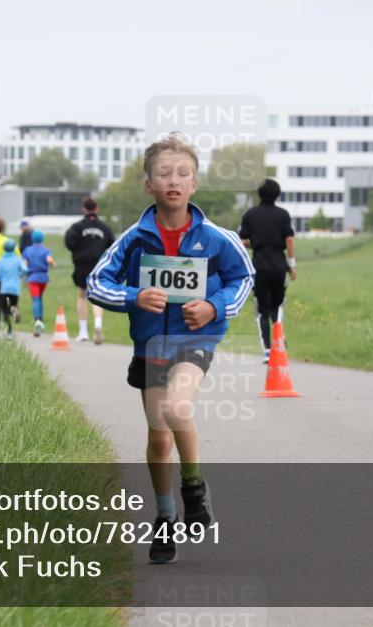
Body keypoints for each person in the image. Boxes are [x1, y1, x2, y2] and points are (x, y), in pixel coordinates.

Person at [87, 135, 254, 564]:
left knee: (177, 409)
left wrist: (214, 306)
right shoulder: (134, 239)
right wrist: (133, 297)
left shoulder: (217, 238)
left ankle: (194, 489)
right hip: (150, 346)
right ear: (149, 184)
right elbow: (96, 283)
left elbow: (244, 278)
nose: (173, 181)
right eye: (164, 174)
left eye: (182, 174)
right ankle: (164, 519)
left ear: (195, 184)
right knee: (159, 437)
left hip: (194, 341)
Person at [239, 178, 297, 363]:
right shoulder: (283, 215)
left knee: (261, 309)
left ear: (259, 194)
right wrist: (291, 264)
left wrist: (255, 242)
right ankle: (279, 344)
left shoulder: (250, 214)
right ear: (277, 194)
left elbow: (242, 241)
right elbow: (289, 240)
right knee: (277, 305)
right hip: (279, 264)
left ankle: (266, 350)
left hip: (259, 265)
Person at [65, 197, 115, 344]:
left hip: (82, 265)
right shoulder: (105, 228)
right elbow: (112, 246)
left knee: (82, 296)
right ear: (97, 209)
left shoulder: (77, 227)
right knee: (97, 296)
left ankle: (83, 331)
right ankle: (98, 324)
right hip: (99, 265)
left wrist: (79, 251)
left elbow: (69, 243)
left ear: (84, 209)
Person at [22, 230, 55, 336]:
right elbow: (49, 260)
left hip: (32, 277)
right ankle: (41, 319)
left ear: (32, 239)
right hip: (43, 278)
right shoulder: (46, 250)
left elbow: (24, 264)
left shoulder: (27, 250)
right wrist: (53, 264)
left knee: (35, 299)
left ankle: (37, 320)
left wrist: (24, 277)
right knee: (40, 298)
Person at [0, 238, 28, 336]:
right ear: (14, 248)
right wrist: (20, 274)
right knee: (13, 305)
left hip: (4, 288)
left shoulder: (1, 261)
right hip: (15, 288)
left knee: (4, 311)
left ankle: (9, 332)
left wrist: (0, 279)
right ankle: (14, 311)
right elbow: (25, 269)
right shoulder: (18, 259)